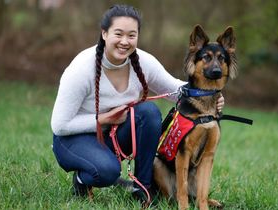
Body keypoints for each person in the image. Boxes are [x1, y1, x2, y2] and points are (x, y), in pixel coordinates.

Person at [50, 4, 224, 204]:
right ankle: (82, 180)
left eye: (131, 35)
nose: (125, 41)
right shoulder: (81, 68)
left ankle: (143, 189)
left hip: (109, 135)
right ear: (104, 33)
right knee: (107, 171)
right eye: (118, 34)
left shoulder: (142, 61)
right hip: (71, 139)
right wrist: (105, 119)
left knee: (148, 112)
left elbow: (178, 90)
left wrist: (212, 95)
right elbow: (60, 125)